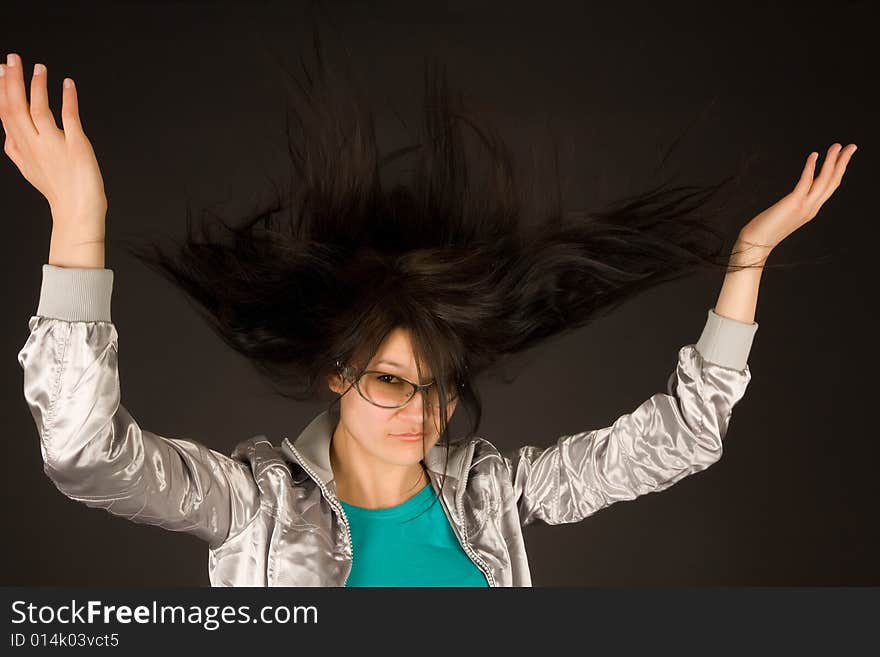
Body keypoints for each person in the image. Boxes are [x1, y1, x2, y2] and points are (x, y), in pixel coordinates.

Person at [5, 23, 856, 586]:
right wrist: (79, 217)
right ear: (337, 372)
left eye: (438, 383)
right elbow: (87, 455)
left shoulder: (497, 494)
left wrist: (748, 255)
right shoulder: (253, 502)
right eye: (389, 380)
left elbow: (683, 436)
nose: (421, 410)